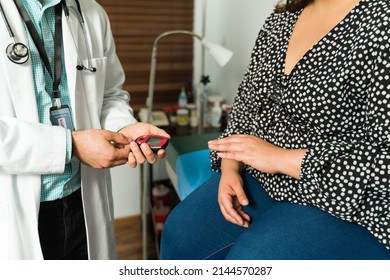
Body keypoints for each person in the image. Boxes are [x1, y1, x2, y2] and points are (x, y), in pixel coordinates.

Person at [160, 0, 390, 260]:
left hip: (343, 199)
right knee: (179, 233)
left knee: (250, 262)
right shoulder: (284, 17)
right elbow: (247, 105)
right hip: (265, 179)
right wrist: (230, 167)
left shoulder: (381, 22)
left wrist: (281, 158)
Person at [0, 0, 169, 259]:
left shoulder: (91, 12)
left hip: (83, 200)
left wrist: (125, 127)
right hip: (13, 206)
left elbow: (110, 94)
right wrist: (71, 145)